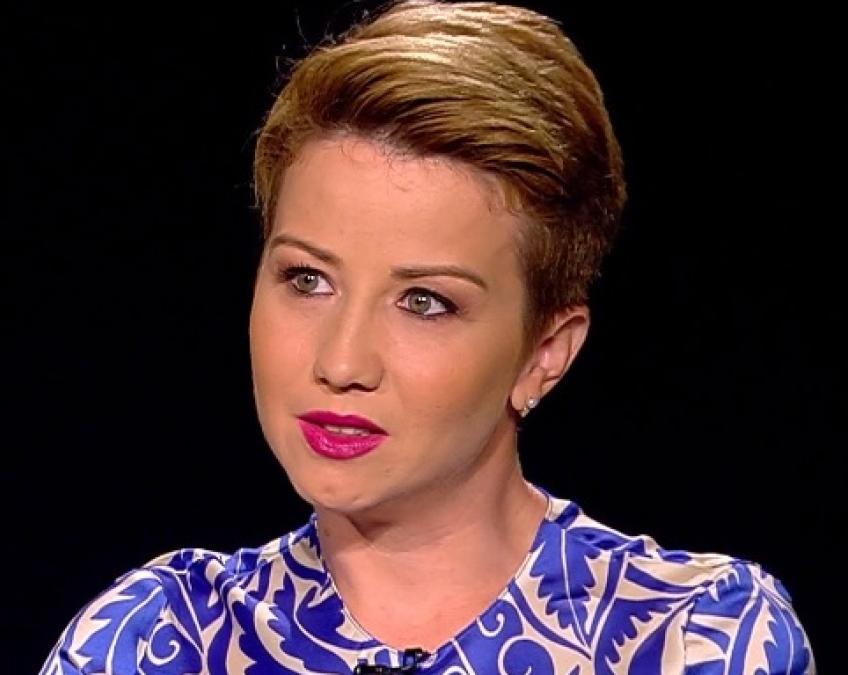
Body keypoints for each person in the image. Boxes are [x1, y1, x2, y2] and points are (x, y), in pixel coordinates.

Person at [39, 1, 813, 672]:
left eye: (424, 301)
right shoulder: (161, 638)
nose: (341, 361)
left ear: (546, 353)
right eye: (307, 279)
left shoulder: (693, 638)